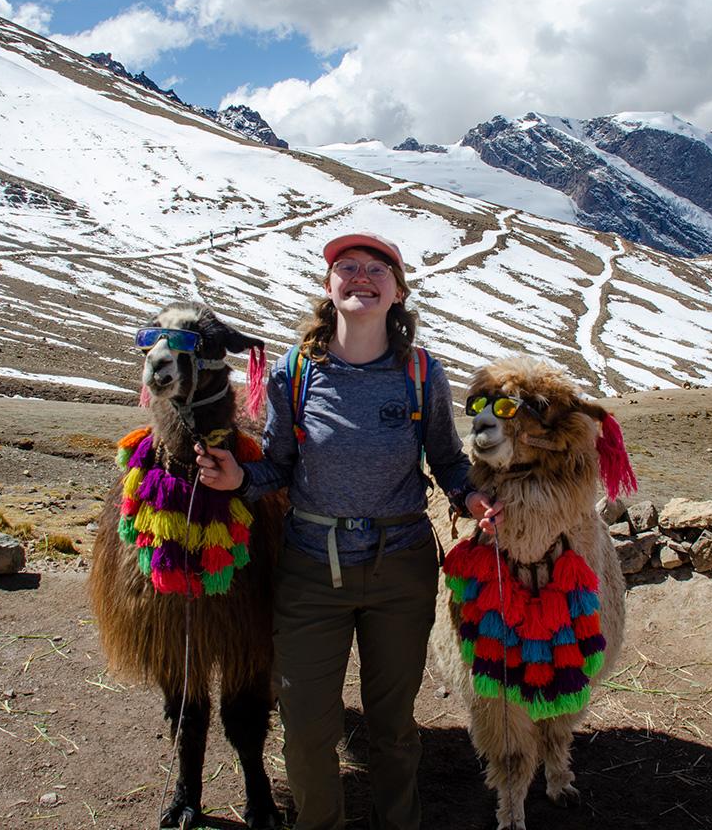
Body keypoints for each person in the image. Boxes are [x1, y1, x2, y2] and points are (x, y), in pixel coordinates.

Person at [197, 231, 500, 830]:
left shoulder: (420, 373)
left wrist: (471, 496)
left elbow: (446, 458)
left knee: (393, 726)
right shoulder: (295, 372)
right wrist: (238, 479)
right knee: (308, 727)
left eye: (377, 268)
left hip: (401, 566)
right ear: (330, 287)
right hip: (311, 568)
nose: (361, 276)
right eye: (347, 267)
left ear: (397, 291)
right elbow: (280, 466)